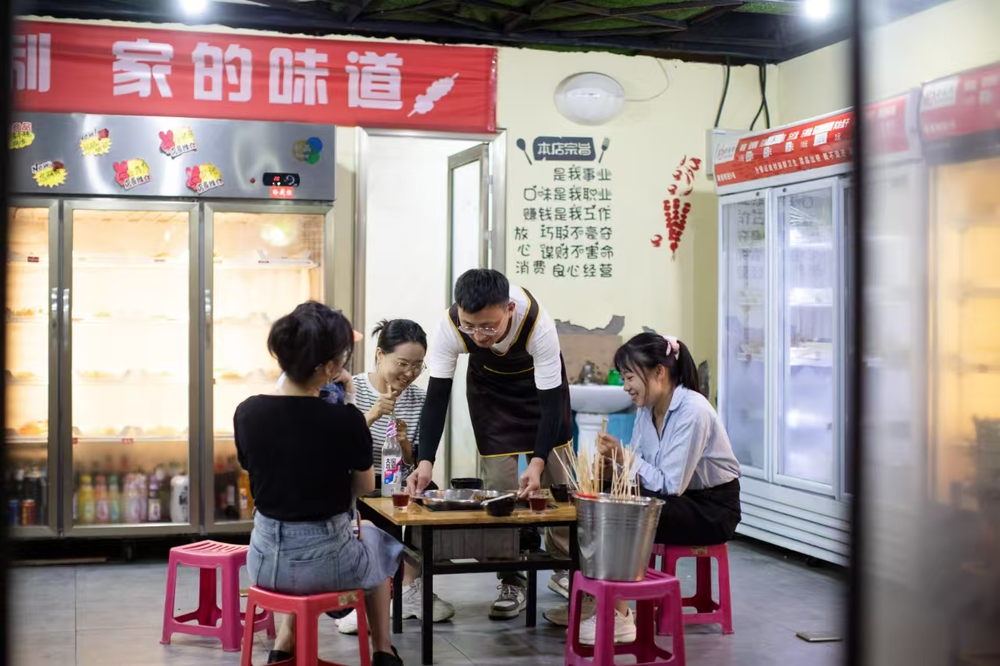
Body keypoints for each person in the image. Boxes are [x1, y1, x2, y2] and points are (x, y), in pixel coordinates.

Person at [236, 301, 405, 666]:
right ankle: (383, 649)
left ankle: (284, 643)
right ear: (329, 367)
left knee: (319, 543)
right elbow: (363, 487)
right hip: (328, 566)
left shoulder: (247, 412)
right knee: (374, 537)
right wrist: (349, 403)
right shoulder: (345, 420)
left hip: (262, 563)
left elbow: (257, 471)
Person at [406, 268, 574, 620]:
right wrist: (425, 460)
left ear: (509, 309)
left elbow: (550, 406)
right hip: (491, 395)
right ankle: (511, 578)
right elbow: (436, 398)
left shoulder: (538, 324)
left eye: (488, 327)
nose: (478, 335)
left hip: (542, 395)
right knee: (499, 491)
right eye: (470, 326)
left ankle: (564, 568)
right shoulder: (450, 326)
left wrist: (538, 461)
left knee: (559, 484)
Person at [580, 332, 742, 645]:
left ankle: (620, 616)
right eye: (623, 378)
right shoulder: (646, 410)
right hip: (676, 500)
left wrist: (623, 457)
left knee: (625, 516)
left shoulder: (693, 410)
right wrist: (613, 469)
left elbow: (670, 484)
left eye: (629, 377)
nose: (625, 386)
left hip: (712, 508)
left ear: (659, 372)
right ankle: (602, 601)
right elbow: (641, 472)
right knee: (600, 500)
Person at [334, 319, 456, 635]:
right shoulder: (352, 389)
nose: (409, 373)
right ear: (380, 355)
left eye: (417, 365)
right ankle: (359, 598)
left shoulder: (419, 399)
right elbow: (335, 443)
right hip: (359, 481)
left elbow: (415, 460)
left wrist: (405, 446)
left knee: (430, 496)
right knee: (369, 516)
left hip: (397, 482)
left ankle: (410, 590)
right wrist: (372, 414)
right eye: (402, 363)